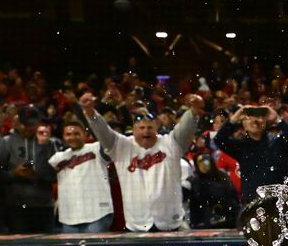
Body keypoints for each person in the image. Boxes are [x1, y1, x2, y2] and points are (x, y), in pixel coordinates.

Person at [80, 93, 203, 231]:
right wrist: (90, 112)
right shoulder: (120, 146)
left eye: (150, 128)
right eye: (141, 128)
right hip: (137, 225)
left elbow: (185, 129)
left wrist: (193, 110)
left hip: (171, 224)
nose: (146, 131)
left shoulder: (171, 143)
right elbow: (102, 130)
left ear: (156, 129)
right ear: (133, 130)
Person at [214, 105, 288, 207]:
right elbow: (219, 139)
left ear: (266, 122)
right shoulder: (241, 147)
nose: (255, 120)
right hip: (252, 204)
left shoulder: (277, 142)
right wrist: (235, 118)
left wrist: (278, 120)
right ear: (243, 125)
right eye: (249, 117)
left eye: (260, 117)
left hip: (279, 203)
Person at [0, 105, 57, 232]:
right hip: (16, 205)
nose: (29, 128)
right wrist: (15, 173)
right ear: (18, 122)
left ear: (38, 123)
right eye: (25, 124)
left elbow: (54, 174)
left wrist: (37, 173)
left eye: (32, 124)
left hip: (43, 205)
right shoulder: (7, 142)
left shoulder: (49, 143)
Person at [48, 117, 114, 233]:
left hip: (98, 214)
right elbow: (43, 173)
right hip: (69, 217)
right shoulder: (58, 158)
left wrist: (85, 112)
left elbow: (106, 136)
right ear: (63, 137)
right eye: (68, 134)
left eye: (76, 134)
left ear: (85, 134)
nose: (72, 137)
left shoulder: (97, 148)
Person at [188, 151, 239, 228]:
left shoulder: (223, 177)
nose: (204, 164)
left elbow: (233, 198)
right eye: (200, 162)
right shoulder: (196, 183)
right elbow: (194, 206)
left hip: (228, 222)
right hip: (206, 224)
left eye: (206, 160)